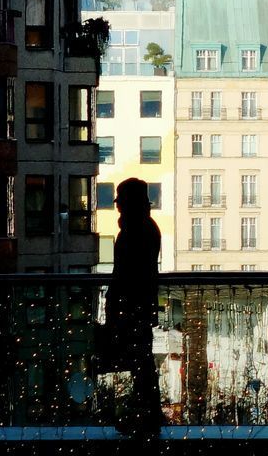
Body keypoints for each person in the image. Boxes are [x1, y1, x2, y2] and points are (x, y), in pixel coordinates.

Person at [105, 178, 163, 436]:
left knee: (141, 365)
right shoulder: (146, 228)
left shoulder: (134, 231)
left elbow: (125, 274)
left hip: (132, 307)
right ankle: (147, 418)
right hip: (139, 306)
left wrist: (115, 306)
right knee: (142, 365)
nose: (118, 208)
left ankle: (146, 419)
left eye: (121, 204)